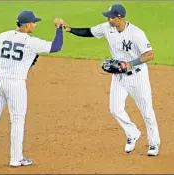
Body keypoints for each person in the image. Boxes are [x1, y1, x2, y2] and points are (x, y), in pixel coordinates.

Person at [62, 4, 160, 156]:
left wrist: (130, 64)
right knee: (115, 109)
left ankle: (154, 143)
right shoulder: (107, 27)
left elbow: (149, 54)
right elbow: (89, 31)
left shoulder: (136, 33)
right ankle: (132, 133)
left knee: (147, 111)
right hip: (118, 76)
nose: (108, 19)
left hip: (138, 76)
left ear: (120, 18)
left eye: (111, 17)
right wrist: (70, 29)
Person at [0, 10, 64, 167]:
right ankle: (16, 158)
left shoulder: (2, 36)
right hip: (16, 84)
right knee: (17, 120)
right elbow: (56, 47)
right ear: (28, 25)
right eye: (34, 22)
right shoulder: (31, 42)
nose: (35, 25)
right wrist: (58, 28)